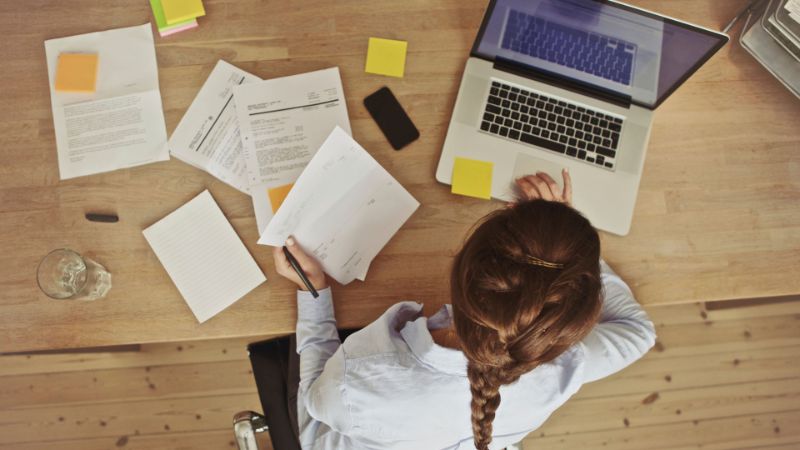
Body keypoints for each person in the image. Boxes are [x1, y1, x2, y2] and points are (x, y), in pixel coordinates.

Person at [272, 170, 656, 450]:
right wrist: (567, 252)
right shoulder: (565, 369)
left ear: (459, 261)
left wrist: (315, 293)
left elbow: (314, 406)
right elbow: (638, 333)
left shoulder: (357, 380)